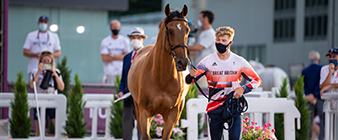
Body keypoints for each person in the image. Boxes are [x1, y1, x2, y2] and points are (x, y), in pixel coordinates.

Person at [186, 26, 262, 140]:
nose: (220, 43)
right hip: (214, 108)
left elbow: (257, 80)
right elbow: (189, 81)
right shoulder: (207, 61)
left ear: (230, 43)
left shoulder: (239, 61)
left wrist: (243, 89)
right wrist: (191, 75)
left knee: (235, 138)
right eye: (218, 40)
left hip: (233, 106)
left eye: (223, 41)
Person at [117, 27, 146, 140]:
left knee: (142, 129)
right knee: (127, 129)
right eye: (133, 38)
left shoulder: (148, 55)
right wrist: (120, 91)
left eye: (138, 38)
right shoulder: (127, 57)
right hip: (128, 97)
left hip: (143, 99)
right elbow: (123, 78)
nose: (135, 40)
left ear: (143, 39)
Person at [29, 51, 64, 136]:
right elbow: (31, 85)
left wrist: (55, 75)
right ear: (40, 61)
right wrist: (39, 71)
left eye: (48, 61)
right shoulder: (34, 71)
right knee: (39, 131)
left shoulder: (56, 71)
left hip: (53, 102)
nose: (46, 63)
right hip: (40, 101)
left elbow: (61, 87)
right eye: (44, 61)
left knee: (59, 128)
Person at [302, 50, 324, 140]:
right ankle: (323, 138)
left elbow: (303, 85)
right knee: (323, 120)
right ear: (318, 58)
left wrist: (309, 95)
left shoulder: (305, 70)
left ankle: (308, 138)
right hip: (319, 97)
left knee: (309, 121)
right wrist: (315, 94)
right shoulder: (321, 69)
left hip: (309, 98)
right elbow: (321, 83)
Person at [100, 19, 130, 84]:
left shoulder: (125, 41)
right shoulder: (105, 41)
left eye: (117, 27)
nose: (115, 29)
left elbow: (126, 58)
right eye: (114, 27)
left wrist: (111, 55)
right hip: (109, 72)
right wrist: (120, 56)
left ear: (120, 28)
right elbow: (104, 58)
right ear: (110, 28)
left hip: (121, 72)